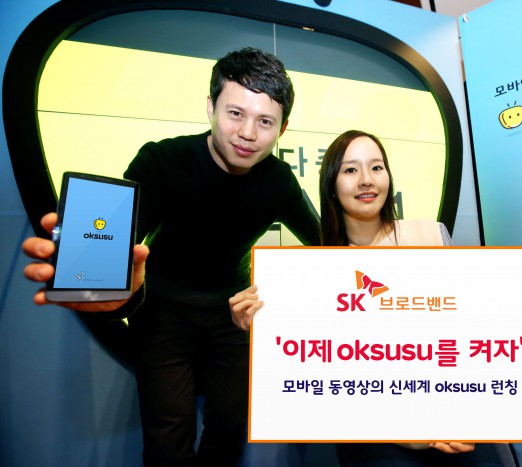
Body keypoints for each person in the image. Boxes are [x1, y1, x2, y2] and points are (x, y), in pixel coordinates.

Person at [23, 47, 320, 466]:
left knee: (230, 428)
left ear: (282, 128)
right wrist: (97, 278)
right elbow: (122, 252)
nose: (247, 133)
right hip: (162, 309)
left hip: (231, 312)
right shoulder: (162, 160)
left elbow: (325, 247)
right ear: (210, 107)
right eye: (235, 113)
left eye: (265, 121)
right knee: (167, 440)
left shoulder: (279, 181)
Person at [231, 130, 518, 466]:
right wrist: (261, 329)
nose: (366, 180)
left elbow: (469, 338)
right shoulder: (311, 272)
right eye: (350, 170)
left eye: (376, 167)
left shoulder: (429, 235)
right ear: (331, 185)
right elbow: (322, 379)